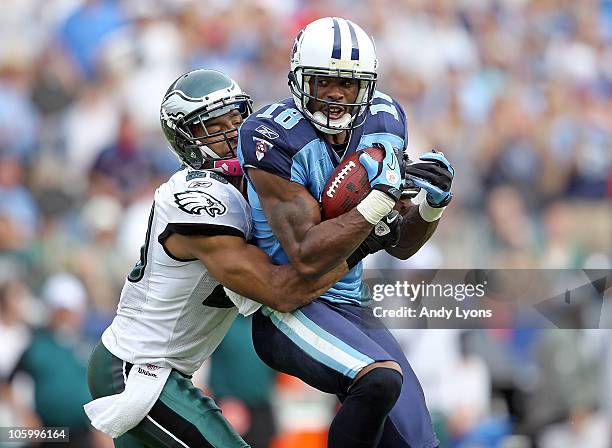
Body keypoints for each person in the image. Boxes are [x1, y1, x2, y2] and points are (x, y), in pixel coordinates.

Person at [85, 69, 397, 448]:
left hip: (169, 371)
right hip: (137, 370)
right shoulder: (197, 200)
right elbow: (280, 290)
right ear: (186, 142)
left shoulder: (256, 186)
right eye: (213, 127)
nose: (232, 133)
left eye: (237, 118)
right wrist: (364, 238)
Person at [238, 17, 455, 448]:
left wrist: (432, 206)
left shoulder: (385, 120)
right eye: (324, 81)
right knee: (377, 379)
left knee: (417, 442)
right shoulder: (271, 135)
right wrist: (378, 202)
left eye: (348, 84)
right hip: (291, 305)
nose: (336, 94)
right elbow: (304, 252)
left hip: (351, 302)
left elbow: (402, 245)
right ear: (300, 80)